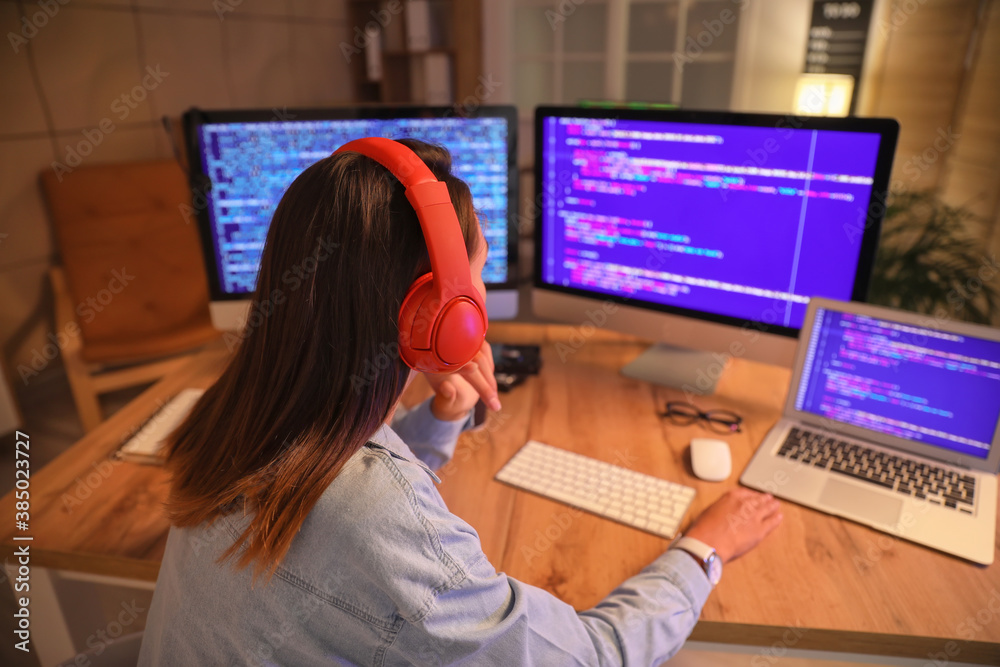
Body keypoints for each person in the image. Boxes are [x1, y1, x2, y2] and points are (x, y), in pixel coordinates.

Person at [138, 138, 782, 666]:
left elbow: (329, 500)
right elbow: (589, 658)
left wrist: (444, 415)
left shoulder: (236, 409)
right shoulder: (376, 514)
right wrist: (704, 549)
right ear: (444, 314)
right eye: (479, 268)